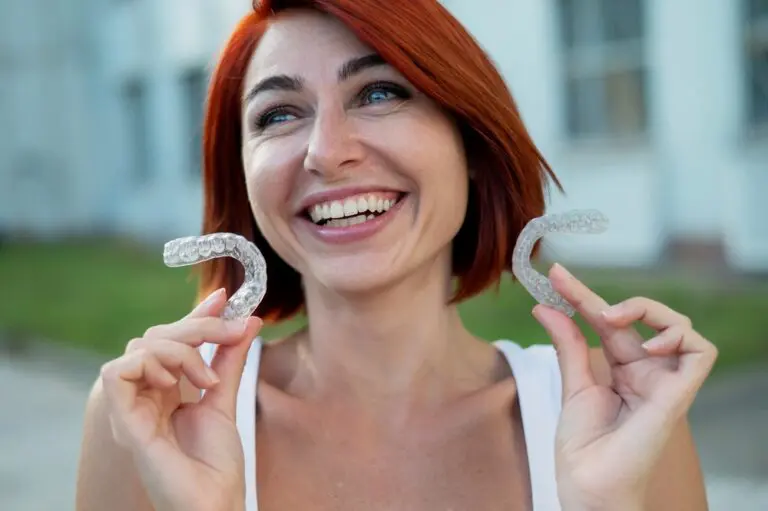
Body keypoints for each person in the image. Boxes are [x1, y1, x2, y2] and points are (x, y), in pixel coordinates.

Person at [75, 1, 717, 510]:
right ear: (241, 176)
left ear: (471, 142)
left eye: (379, 93)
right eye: (278, 115)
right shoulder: (149, 421)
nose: (326, 152)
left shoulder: (620, 413)